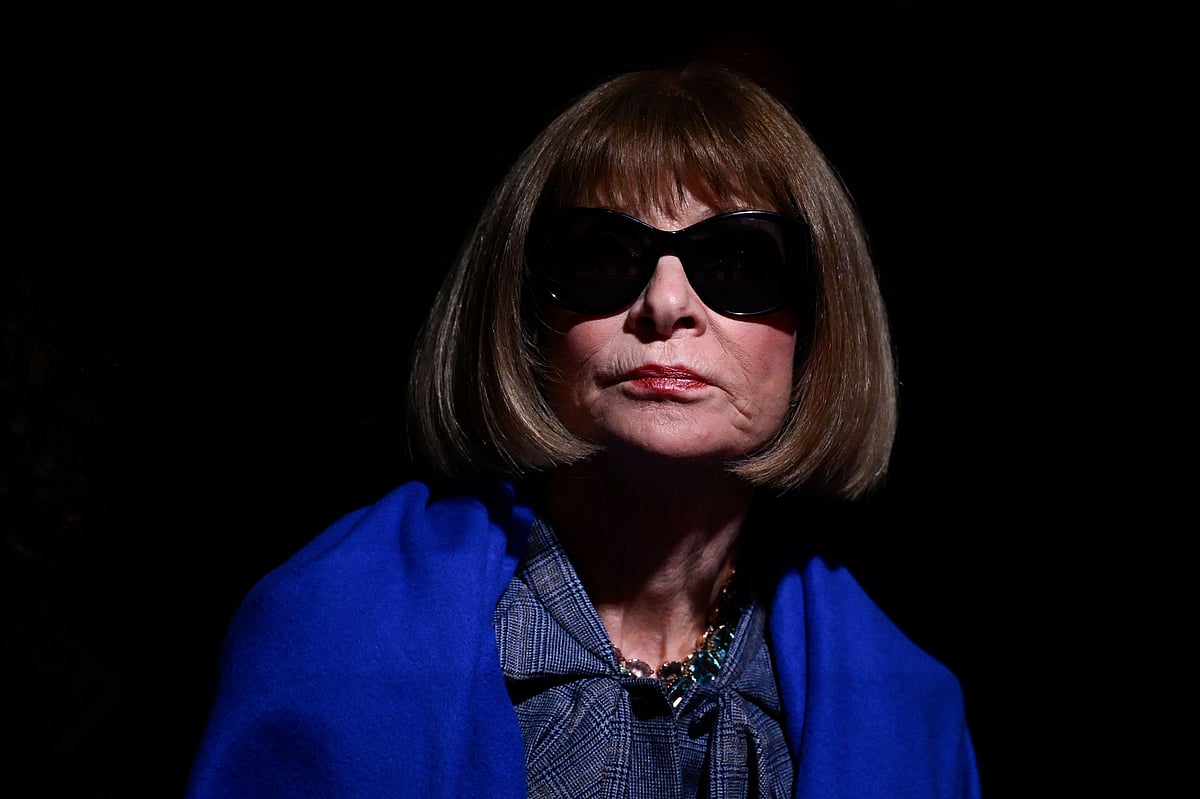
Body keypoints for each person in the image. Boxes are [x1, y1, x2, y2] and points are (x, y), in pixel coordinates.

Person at [185, 61, 982, 798]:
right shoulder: (330, 634)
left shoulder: (915, 715)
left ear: (818, 329)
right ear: (527, 317)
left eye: (738, 262)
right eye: (604, 256)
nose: (665, 304)